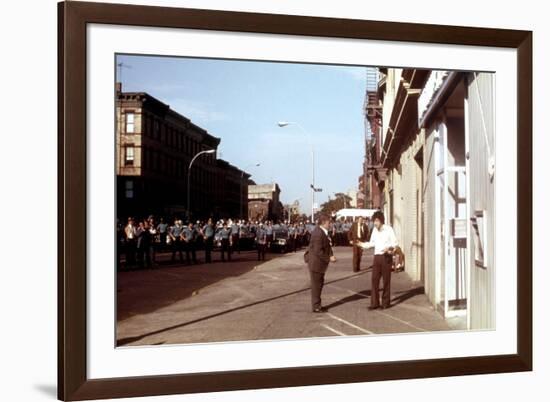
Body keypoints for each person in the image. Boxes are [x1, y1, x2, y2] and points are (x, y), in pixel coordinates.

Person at [358, 211, 398, 310]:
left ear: (381, 220)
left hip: (386, 257)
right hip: (377, 257)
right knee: (374, 280)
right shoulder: (375, 230)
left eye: (376, 221)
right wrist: (362, 244)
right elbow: (372, 243)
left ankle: (385, 303)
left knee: (386, 281)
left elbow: (395, 243)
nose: (375, 223)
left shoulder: (389, 229)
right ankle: (374, 303)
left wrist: (389, 248)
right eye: (374, 221)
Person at [307, 214, 336, 313]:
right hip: (316, 263)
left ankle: (318, 305)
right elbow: (318, 251)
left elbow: (327, 246)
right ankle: (316, 307)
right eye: (329, 222)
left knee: (319, 284)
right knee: (316, 285)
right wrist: (329, 258)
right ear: (323, 223)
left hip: (318, 264)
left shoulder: (322, 232)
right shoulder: (319, 233)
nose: (330, 224)